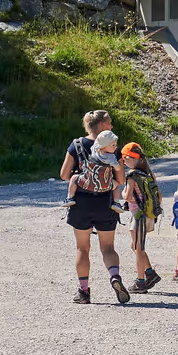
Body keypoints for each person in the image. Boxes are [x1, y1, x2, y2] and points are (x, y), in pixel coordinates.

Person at [64, 125, 128, 304]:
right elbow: (121, 180)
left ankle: (83, 292)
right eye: (109, 123)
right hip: (105, 203)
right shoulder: (113, 153)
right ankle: (114, 276)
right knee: (108, 248)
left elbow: (63, 174)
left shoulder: (77, 145)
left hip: (81, 204)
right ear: (102, 127)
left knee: (82, 248)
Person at [120, 143, 164, 293]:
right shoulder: (149, 174)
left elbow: (126, 196)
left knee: (138, 248)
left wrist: (123, 193)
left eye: (124, 160)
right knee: (135, 246)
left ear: (130, 158)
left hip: (138, 215)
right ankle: (150, 273)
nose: (124, 163)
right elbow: (159, 196)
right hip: (149, 215)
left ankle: (140, 282)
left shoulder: (132, 176)